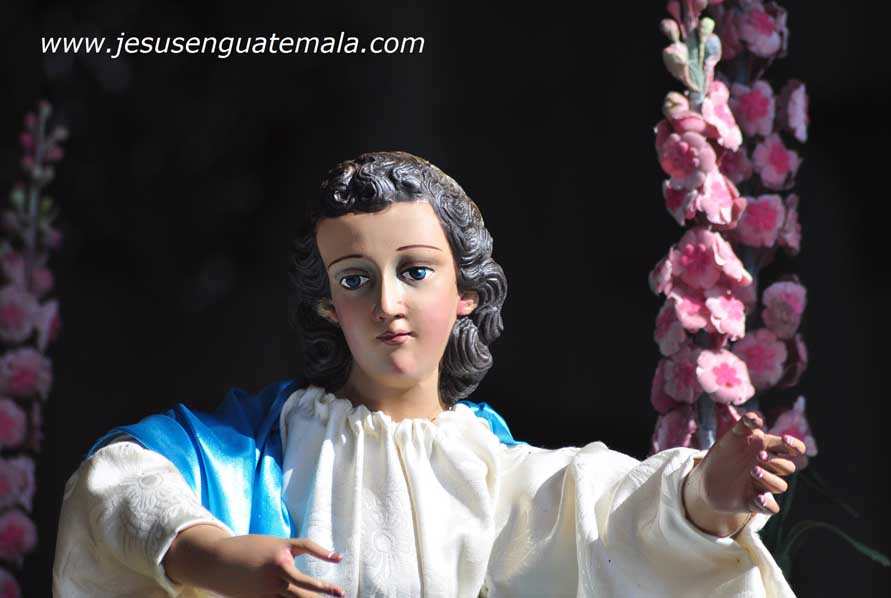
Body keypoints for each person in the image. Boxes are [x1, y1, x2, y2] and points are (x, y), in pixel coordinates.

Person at [52, 151, 806, 597]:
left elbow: (609, 519)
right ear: (327, 306)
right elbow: (116, 482)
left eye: (415, 271)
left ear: (465, 290)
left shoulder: (494, 474)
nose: (387, 304)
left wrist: (702, 499)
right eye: (354, 279)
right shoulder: (257, 450)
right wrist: (210, 554)